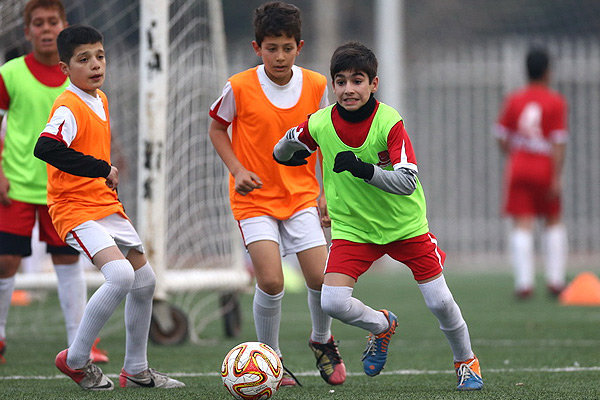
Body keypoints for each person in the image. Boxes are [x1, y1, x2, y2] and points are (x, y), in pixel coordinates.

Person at [273, 41, 484, 391]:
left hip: (405, 226)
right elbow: (289, 141)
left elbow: (405, 181)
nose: (348, 89)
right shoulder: (321, 122)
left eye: (357, 80)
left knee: (440, 301)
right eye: (340, 81)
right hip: (354, 229)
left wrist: (362, 168)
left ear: (374, 84)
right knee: (332, 301)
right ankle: (381, 325)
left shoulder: (389, 122)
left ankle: (466, 360)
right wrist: (287, 154)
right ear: (333, 86)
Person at [33, 25, 184, 391]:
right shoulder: (68, 105)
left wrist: (105, 174)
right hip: (74, 208)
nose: (96, 64)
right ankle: (76, 359)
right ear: (66, 69)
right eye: (84, 59)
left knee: (145, 281)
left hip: (102, 204)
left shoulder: (98, 98)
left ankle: (135, 369)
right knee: (120, 277)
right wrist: (102, 168)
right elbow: (46, 148)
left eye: (99, 56)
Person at [208, 1, 345, 386]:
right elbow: (217, 129)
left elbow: (326, 141)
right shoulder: (238, 86)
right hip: (254, 200)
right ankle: (272, 359)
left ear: (299, 47)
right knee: (271, 281)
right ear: (257, 49)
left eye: (287, 48)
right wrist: (237, 170)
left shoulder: (318, 85)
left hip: (301, 195)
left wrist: (325, 194)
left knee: (321, 278)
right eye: (272, 48)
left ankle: (322, 340)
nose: (280, 56)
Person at [0, 0, 107, 364]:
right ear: (28, 30)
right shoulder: (10, 73)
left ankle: (82, 343)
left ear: (64, 26)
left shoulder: (81, 73)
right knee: (5, 260)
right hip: (16, 184)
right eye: (38, 23)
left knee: (67, 259)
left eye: (53, 22)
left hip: (65, 190)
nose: (46, 29)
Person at [494, 47, 568, 300]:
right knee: (552, 220)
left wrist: (513, 153)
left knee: (522, 223)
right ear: (548, 71)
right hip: (545, 166)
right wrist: (557, 177)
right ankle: (555, 281)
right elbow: (558, 140)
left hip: (520, 165)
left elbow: (501, 135)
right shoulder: (556, 101)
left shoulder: (514, 99)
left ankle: (524, 283)